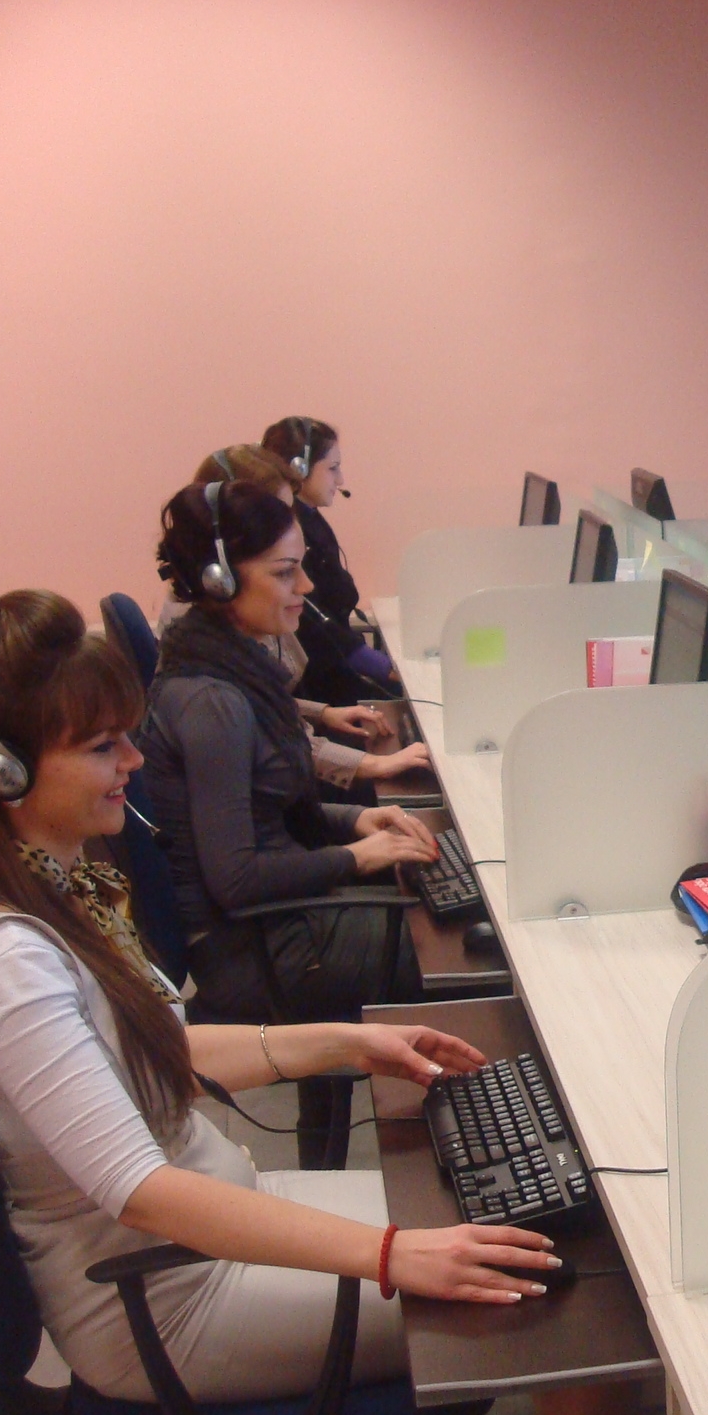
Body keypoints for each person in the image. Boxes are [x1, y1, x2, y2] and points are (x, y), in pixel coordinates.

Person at [0, 591, 636, 1415]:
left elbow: (156, 1048)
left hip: (202, 1228)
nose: (134, 760)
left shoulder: (48, 890)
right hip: (165, 1295)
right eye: (101, 747)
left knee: (528, 1216)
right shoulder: (6, 960)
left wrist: (349, 1042)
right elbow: (142, 1191)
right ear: (0, 772)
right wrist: (394, 1256)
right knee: (573, 1299)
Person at [137, 477, 437, 1042]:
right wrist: (355, 857)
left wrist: (356, 819)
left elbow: (263, 810)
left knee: (442, 910)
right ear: (221, 580)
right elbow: (237, 878)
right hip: (261, 950)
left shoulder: (227, 664)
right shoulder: (213, 702)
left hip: (280, 922)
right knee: (455, 948)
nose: (305, 585)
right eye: (283, 572)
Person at [191, 445, 430, 795]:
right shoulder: (209, 668)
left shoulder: (242, 619)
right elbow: (270, 733)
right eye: (278, 515)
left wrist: (322, 713)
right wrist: (371, 765)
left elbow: (265, 704)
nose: (305, 586)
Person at [261, 416, 404, 702]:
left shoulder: (311, 520)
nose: (340, 480)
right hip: (324, 681)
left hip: (333, 670)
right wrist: (380, 666)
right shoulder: (293, 534)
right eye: (332, 468)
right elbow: (315, 627)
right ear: (299, 469)